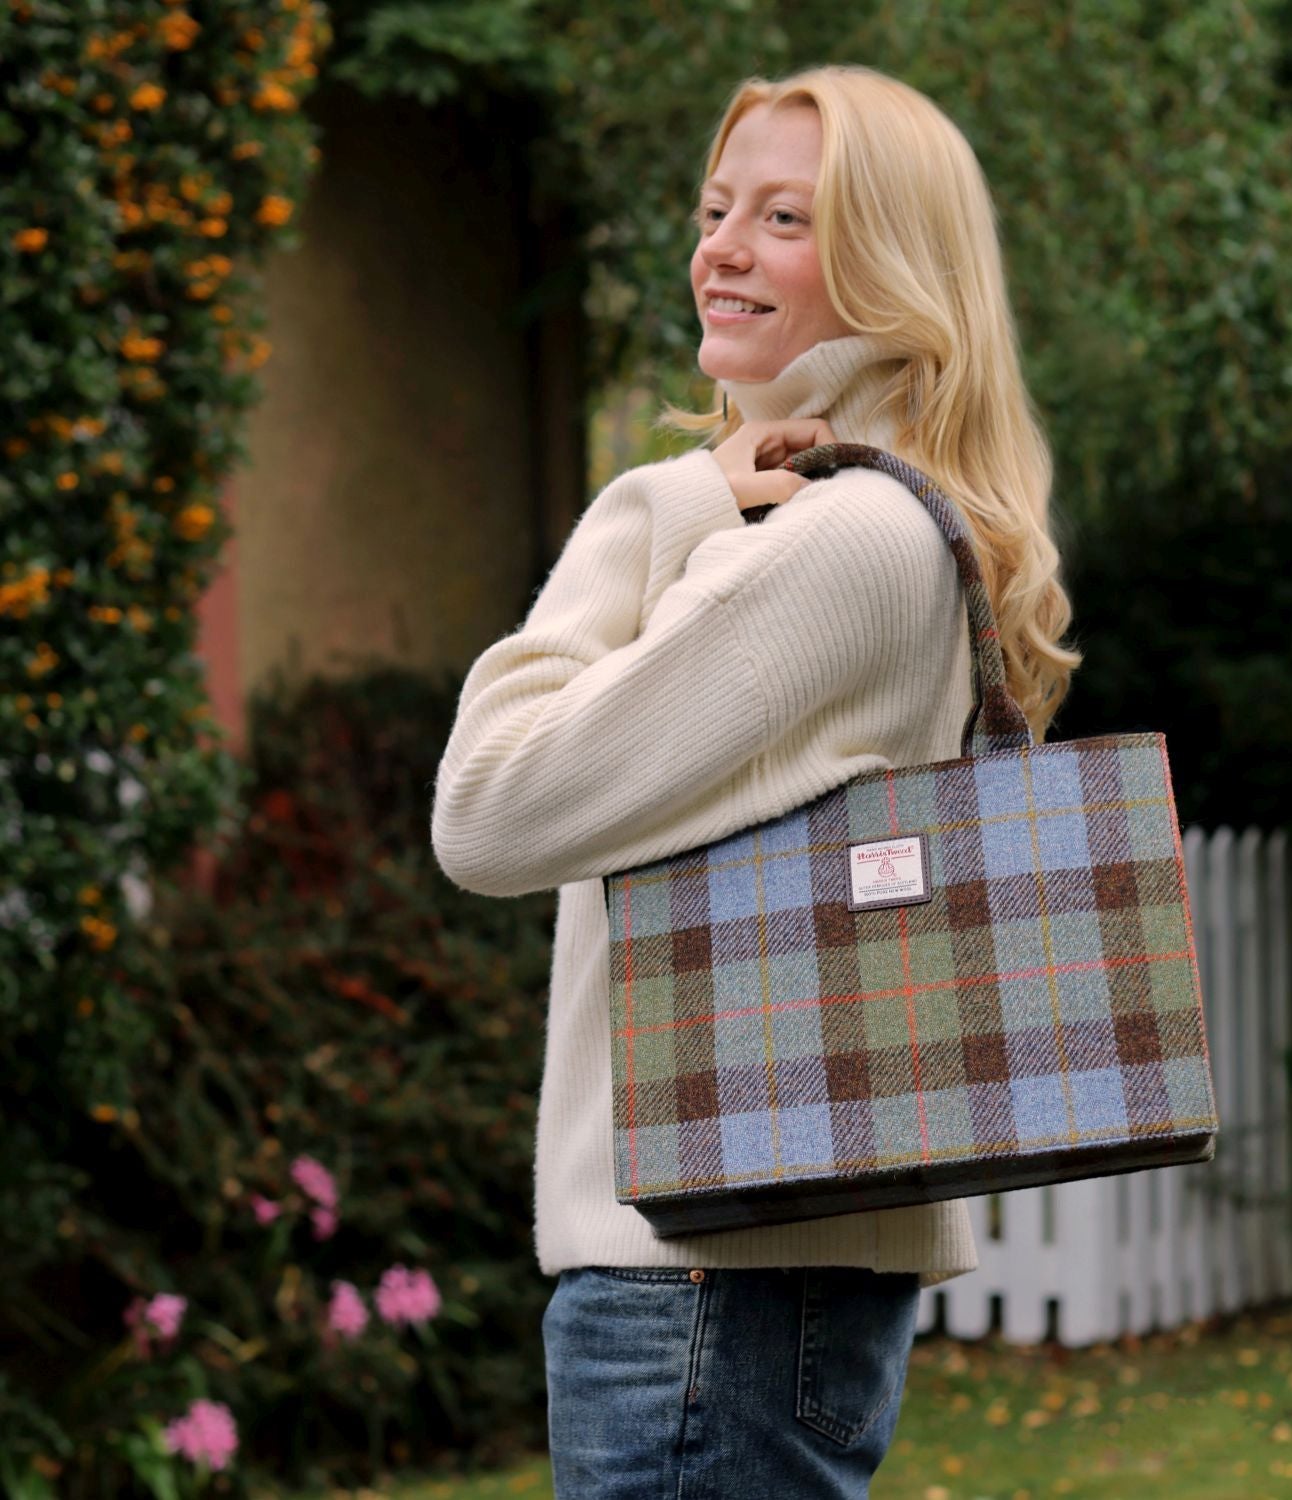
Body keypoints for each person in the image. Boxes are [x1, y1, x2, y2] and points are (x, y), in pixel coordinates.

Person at [431, 62, 1080, 1500]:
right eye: (718, 207)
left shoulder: (832, 540)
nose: (719, 248)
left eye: (784, 217)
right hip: (755, 1269)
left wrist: (652, 498)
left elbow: (487, 808)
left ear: (891, 263)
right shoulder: (856, 518)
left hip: (703, 1279)